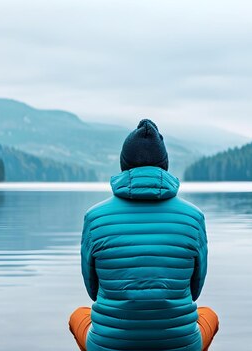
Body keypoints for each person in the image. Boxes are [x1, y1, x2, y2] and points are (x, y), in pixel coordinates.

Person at [68, 119, 219, 351]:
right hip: (181, 344)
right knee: (208, 315)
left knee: (79, 315)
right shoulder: (194, 217)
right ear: (164, 166)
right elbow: (195, 290)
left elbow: (93, 291)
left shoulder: (94, 217)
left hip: (109, 345)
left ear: (124, 165)